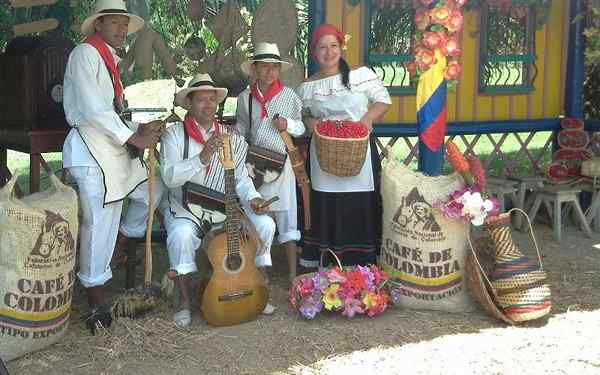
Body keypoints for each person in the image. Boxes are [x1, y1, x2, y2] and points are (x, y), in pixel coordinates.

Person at [62, 0, 165, 334]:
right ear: (98, 24)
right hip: (91, 149)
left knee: (151, 191)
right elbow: (93, 108)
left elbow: (112, 109)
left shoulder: (108, 58)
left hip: (113, 148)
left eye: (125, 25)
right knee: (99, 223)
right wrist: (133, 137)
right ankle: (95, 304)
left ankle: (120, 245)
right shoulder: (85, 54)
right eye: (116, 24)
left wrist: (141, 129)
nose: (122, 31)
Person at [160, 73, 276, 328]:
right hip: (185, 207)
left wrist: (254, 199)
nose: (208, 105)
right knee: (181, 235)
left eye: (212, 100)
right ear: (189, 103)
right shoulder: (174, 136)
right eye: (201, 100)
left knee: (265, 224)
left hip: (224, 207)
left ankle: (256, 285)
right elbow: (169, 178)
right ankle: (183, 299)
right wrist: (201, 158)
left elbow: (243, 180)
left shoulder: (231, 137)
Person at [297, 23, 391, 268]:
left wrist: (366, 120)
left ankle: (361, 261)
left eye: (333, 46)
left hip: (357, 148)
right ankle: (328, 260)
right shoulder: (307, 86)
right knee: (327, 201)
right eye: (322, 48)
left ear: (341, 47)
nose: (328, 52)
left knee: (358, 201)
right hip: (325, 150)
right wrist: (312, 123)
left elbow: (382, 101)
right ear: (314, 52)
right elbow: (304, 114)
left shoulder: (360, 75)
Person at [237, 42, 305, 285]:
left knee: (287, 217)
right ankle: (261, 271)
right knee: (259, 215)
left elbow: (301, 126)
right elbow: (243, 127)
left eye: (274, 67)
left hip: (282, 163)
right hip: (255, 165)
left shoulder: (289, 96)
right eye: (264, 67)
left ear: (280, 70)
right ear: (254, 69)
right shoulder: (245, 98)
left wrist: (288, 124)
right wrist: (233, 136)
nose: (269, 72)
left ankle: (292, 274)